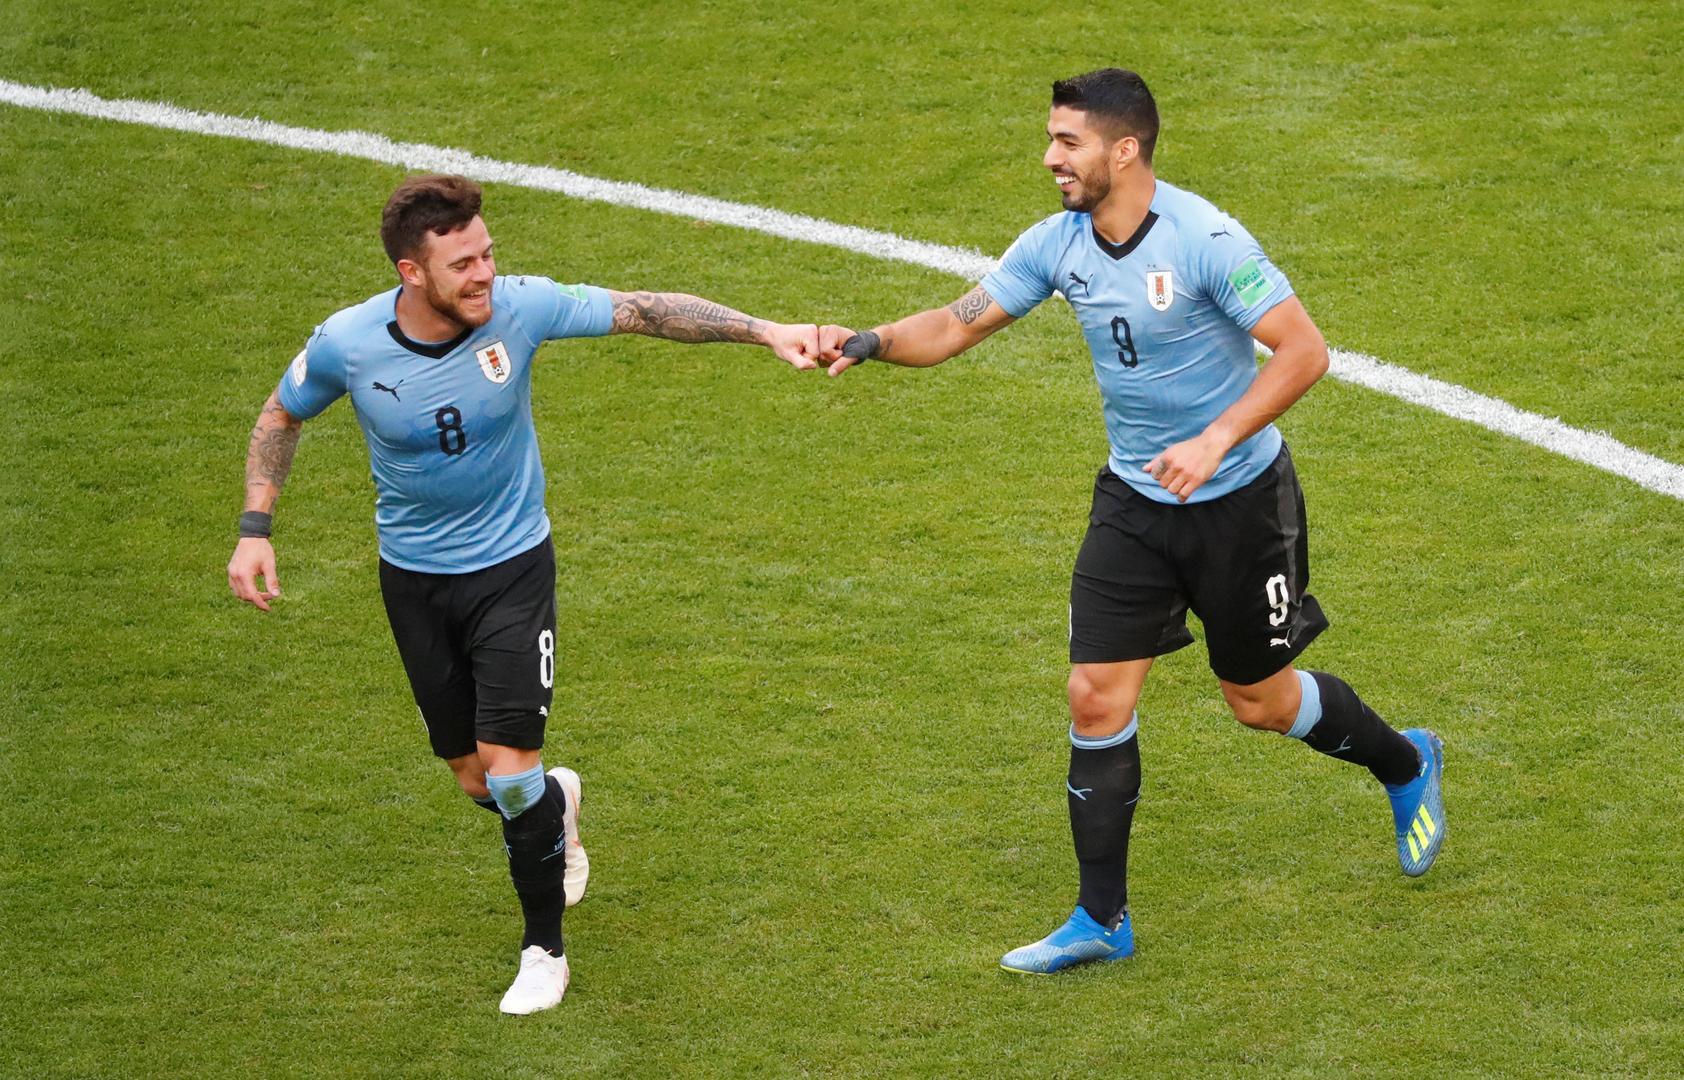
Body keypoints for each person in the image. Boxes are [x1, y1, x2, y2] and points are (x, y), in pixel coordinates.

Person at [818, 69, 1445, 974]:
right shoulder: (1057, 243)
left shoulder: (1204, 240)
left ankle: (1405, 762)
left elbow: (1305, 350)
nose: (1050, 157)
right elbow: (956, 324)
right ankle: (1101, 920)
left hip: (1240, 505)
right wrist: (871, 341)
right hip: (1134, 502)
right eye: (1051, 138)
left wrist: (1215, 438)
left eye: (1067, 142)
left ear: (1125, 148)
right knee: (1094, 696)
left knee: (1259, 702)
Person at [226, 173, 822, 1013]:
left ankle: (544, 950)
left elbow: (643, 310)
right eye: (462, 264)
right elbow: (280, 417)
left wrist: (765, 331)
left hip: (512, 570)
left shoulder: (521, 308)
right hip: (414, 581)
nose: (484, 275)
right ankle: (558, 804)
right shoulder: (348, 344)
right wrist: (256, 527)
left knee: (510, 778)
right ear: (410, 272)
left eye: (487, 255)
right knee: (479, 782)